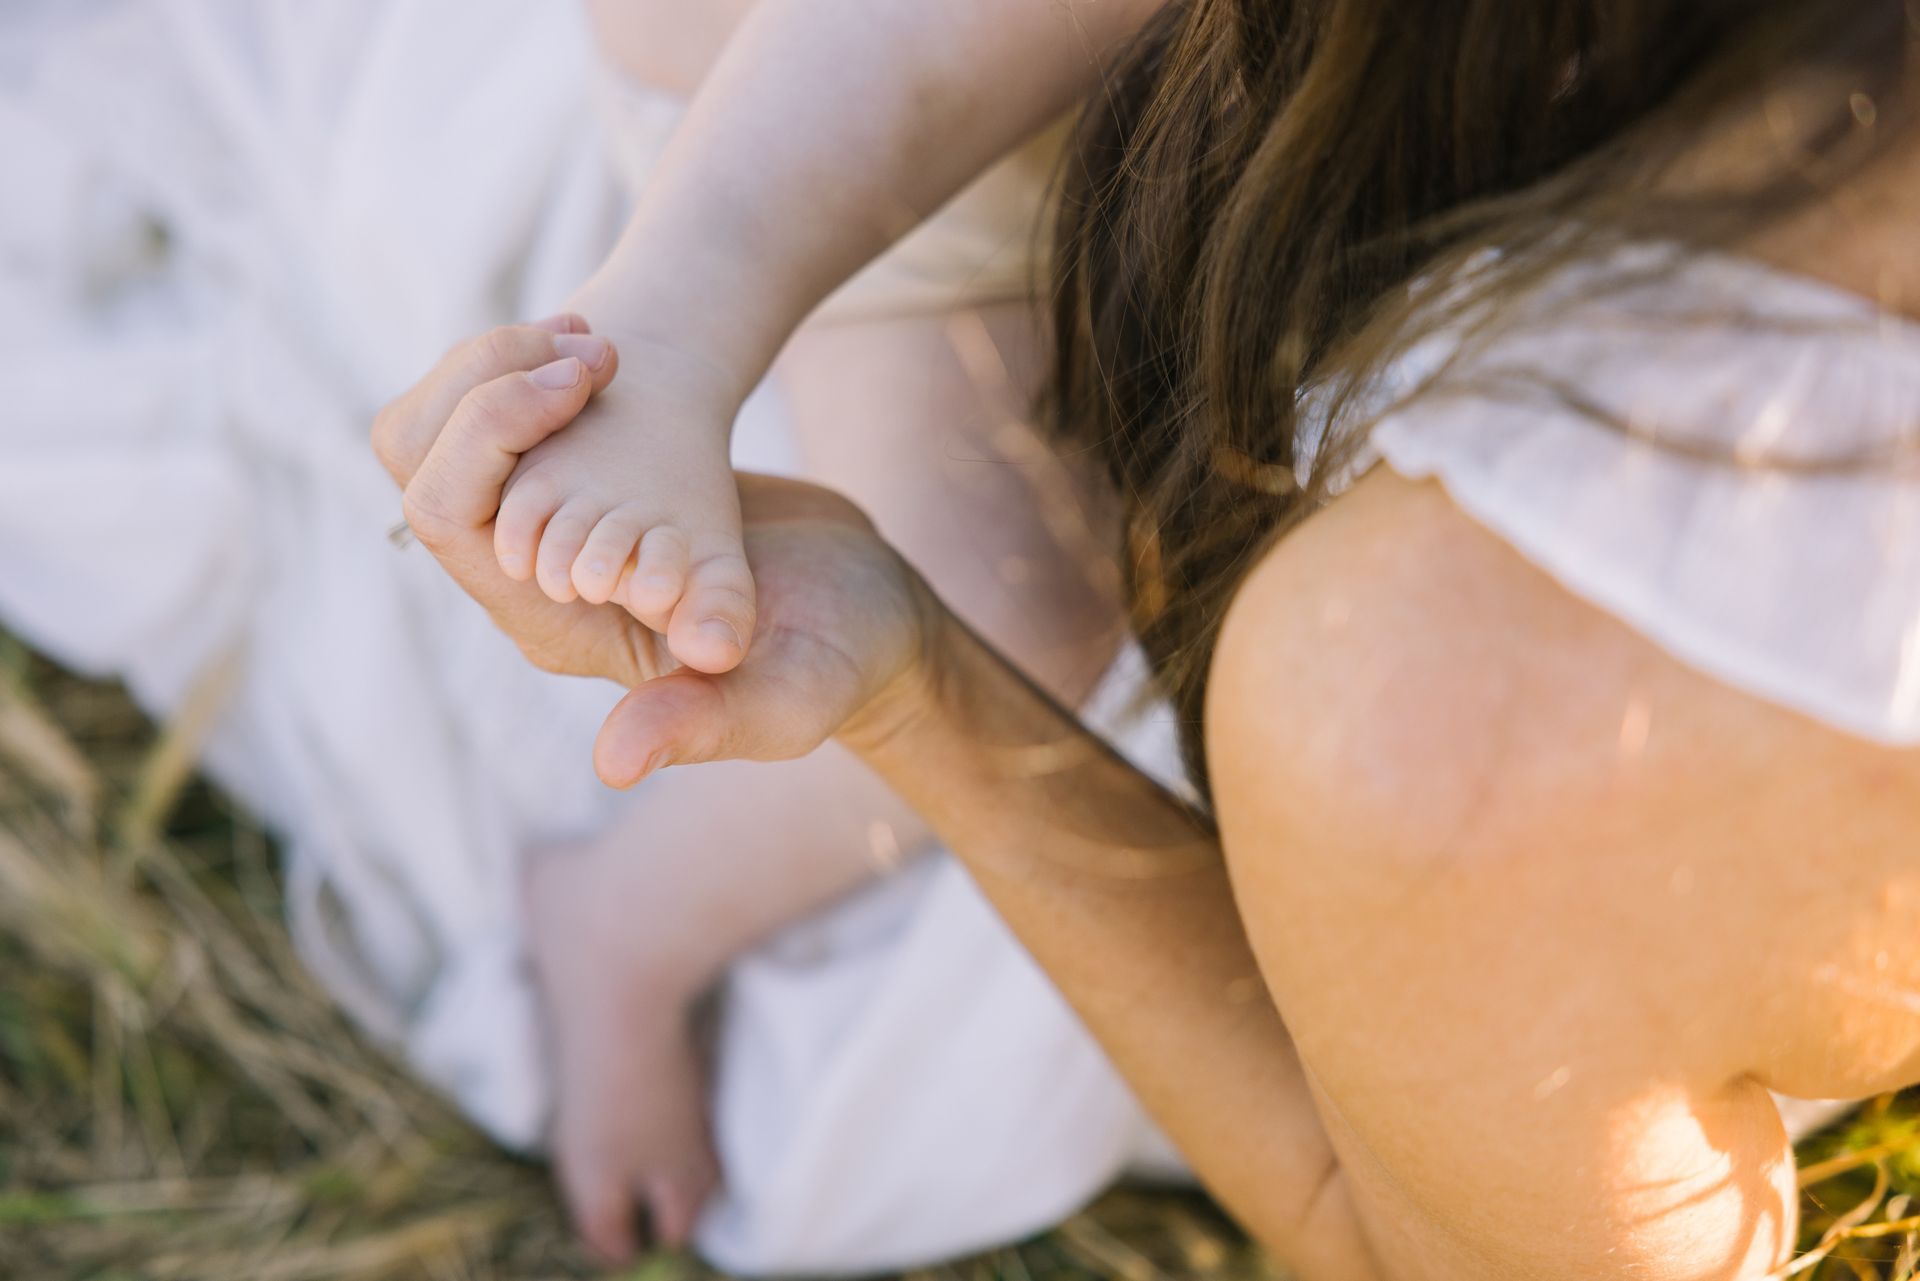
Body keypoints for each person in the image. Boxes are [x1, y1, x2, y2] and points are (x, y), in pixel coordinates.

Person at [377, 0, 1920, 1276]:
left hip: (1247, 128)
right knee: (1007, 596)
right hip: (883, 97)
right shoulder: (1445, 697)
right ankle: (619, 926)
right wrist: (669, 327)